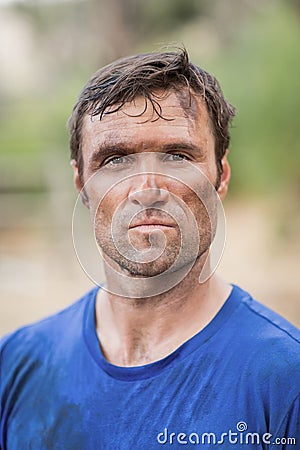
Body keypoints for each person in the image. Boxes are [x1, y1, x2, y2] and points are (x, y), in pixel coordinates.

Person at [0, 48, 299, 450]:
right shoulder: (16, 364)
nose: (147, 190)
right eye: (116, 159)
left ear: (220, 176)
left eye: (177, 156)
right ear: (81, 185)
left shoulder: (284, 380)